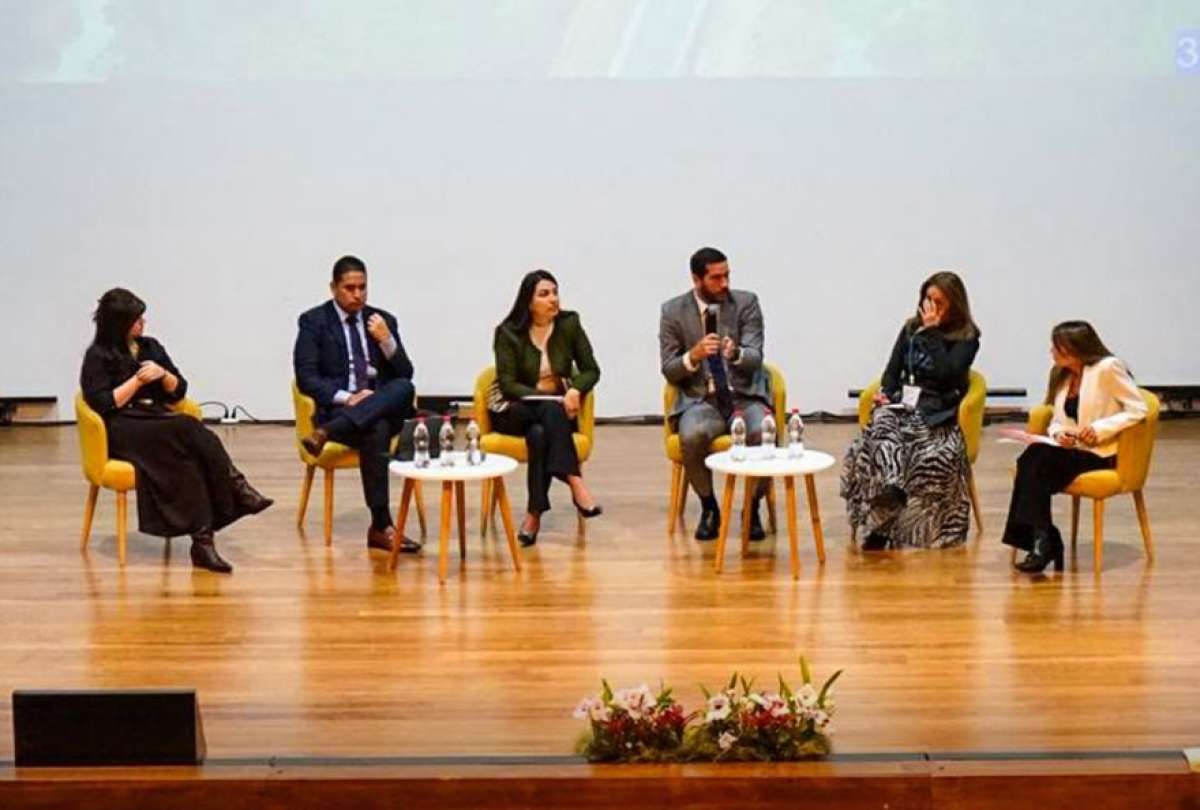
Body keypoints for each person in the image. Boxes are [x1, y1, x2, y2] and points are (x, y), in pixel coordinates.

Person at [79, 288, 272, 573]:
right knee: (188, 426)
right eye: (136, 319)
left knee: (189, 457)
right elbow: (102, 403)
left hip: (155, 420)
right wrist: (136, 381)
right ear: (118, 323)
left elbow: (179, 390)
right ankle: (236, 486)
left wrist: (164, 376)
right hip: (122, 427)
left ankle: (203, 544)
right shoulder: (98, 356)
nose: (142, 324)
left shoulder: (151, 347)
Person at [841, 271, 981, 550]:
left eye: (938, 302)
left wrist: (931, 335)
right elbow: (892, 372)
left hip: (937, 410)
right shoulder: (909, 329)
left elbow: (948, 376)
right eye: (927, 299)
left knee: (923, 449)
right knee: (880, 426)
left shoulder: (967, 337)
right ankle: (889, 497)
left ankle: (887, 522)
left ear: (954, 304)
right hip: (904, 403)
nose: (930, 307)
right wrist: (885, 394)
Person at [293, 255, 419, 554]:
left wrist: (387, 341)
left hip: (373, 406)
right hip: (342, 406)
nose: (358, 294)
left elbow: (405, 373)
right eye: (350, 288)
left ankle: (324, 433)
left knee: (403, 387)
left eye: (363, 287)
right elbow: (306, 377)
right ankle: (381, 526)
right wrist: (348, 398)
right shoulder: (314, 322)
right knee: (376, 427)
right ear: (333, 288)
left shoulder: (381, 320)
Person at [1003, 321, 1146, 573]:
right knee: (1032, 458)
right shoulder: (1062, 376)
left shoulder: (1107, 369)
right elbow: (1058, 421)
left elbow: (1138, 409)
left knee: (1032, 463)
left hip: (1100, 452)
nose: (1052, 352)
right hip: (1073, 451)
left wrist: (1100, 429)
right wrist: (1059, 434)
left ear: (1075, 348)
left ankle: (1044, 540)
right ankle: (1044, 537)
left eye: (1057, 347)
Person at [659, 247, 772, 542]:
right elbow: (670, 369)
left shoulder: (746, 303)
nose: (724, 284)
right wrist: (693, 356)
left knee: (762, 432)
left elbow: (756, 356)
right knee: (692, 434)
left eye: (727, 275)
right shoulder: (672, 311)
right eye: (716, 278)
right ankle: (709, 507)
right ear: (697, 280)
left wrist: (735, 354)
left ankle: (752, 507)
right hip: (701, 399)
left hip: (743, 397)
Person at [489, 269, 602, 547]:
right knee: (551, 411)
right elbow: (508, 385)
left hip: (552, 413)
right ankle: (575, 481)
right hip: (514, 409)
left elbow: (591, 370)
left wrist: (575, 389)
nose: (553, 299)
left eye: (555, 292)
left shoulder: (569, 324)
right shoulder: (508, 333)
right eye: (544, 294)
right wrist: (546, 397)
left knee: (539, 435)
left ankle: (533, 515)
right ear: (528, 302)